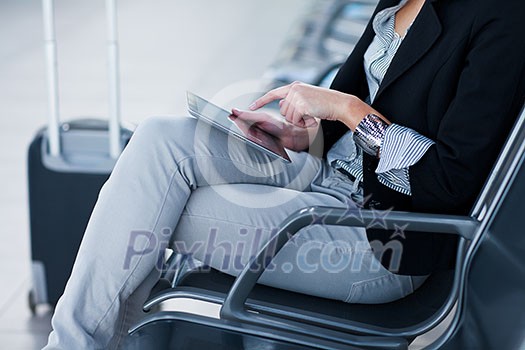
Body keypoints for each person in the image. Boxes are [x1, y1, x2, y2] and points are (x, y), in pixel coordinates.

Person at [44, 0, 525, 348]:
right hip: (323, 177)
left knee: (152, 206)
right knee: (157, 140)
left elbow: (449, 178)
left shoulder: (499, 16)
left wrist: (349, 109)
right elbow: (353, 128)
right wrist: (306, 136)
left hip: (382, 234)